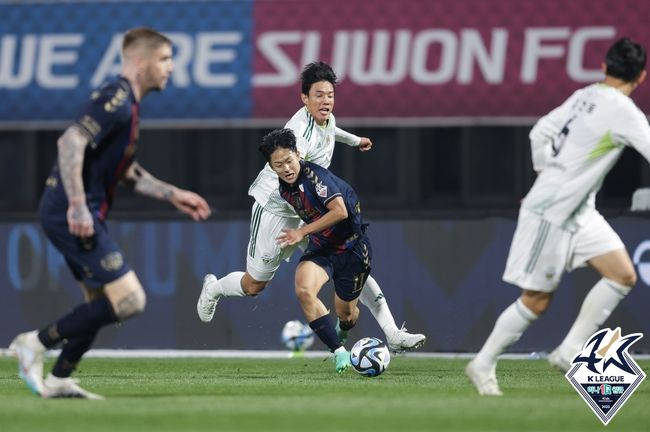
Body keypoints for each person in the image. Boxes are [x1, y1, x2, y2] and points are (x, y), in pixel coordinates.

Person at [9, 28, 211, 399]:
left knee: (100, 305)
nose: (171, 68)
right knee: (130, 299)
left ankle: (57, 379)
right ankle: (33, 343)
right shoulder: (116, 97)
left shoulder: (128, 106)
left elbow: (127, 171)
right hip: (69, 212)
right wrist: (77, 205)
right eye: (165, 59)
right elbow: (71, 140)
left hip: (79, 211)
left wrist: (173, 194)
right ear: (140, 61)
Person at [197, 61, 425, 352]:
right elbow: (295, 163)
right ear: (304, 98)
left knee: (351, 259)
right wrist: (308, 220)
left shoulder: (324, 117)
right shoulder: (298, 133)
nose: (326, 100)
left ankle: (392, 333)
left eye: (329, 94)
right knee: (255, 285)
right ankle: (214, 288)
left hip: (307, 209)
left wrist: (355, 141)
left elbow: (330, 131)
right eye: (318, 94)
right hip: (277, 211)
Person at [466, 37, 649, 396]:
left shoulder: (585, 95)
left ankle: (568, 352)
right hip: (552, 211)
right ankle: (483, 363)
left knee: (623, 275)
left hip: (580, 210)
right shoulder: (625, 112)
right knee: (536, 300)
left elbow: (540, 132)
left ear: (603, 68)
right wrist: (553, 182)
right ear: (642, 77)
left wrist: (546, 171)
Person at [260, 128, 371, 373]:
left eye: (289, 161)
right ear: (271, 167)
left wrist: (301, 232)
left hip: (352, 247)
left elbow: (340, 212)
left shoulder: (315, 177)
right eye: (278, 165)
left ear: (298, 154)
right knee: (303, 289)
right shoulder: (283, 187)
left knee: (347, 314)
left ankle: (342, 329)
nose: (286, 168)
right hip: (322, 246)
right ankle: (338, 351)